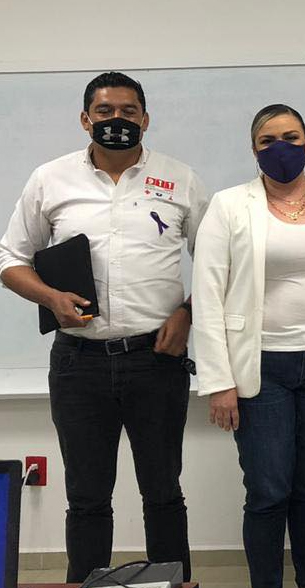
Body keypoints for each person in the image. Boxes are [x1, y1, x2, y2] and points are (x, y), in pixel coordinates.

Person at [0, 72, 207, 582]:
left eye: (128, 111)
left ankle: (169, 584)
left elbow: (216, 264)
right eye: (105, 111)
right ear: (85, 119)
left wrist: (187, 313)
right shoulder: (50, 179)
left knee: (163, 493)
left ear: (145, 119)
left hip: (156, 361)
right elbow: (10, 259)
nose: (117, 120)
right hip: (79, 364)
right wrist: (50, 297)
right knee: (87, 497)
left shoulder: (180, 179)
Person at [192, 104, 305, 588]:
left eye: (291, 137)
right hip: (259, 367)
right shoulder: (229, 206)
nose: (281, 147)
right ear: (254, 149)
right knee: (268, 490)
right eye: (268, 140)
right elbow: (207, 293)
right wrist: (219, 382)